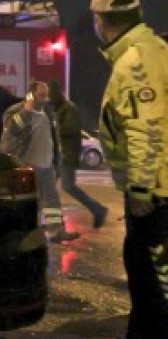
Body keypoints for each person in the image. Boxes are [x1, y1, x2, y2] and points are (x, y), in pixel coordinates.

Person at [88, 0, 168, 339]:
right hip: (158, 189)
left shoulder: (136, 61)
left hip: (157, 194)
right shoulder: (148, 51)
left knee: (156, 282)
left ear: (100, 21)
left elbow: (146, 129)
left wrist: (140, 191)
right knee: (141, 272)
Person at [1, 80, 77, 243]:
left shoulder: (48, 112)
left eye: (46, 95)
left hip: (46, 165)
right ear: (31, 94)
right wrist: (26, 111)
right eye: (41, 95)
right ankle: (22, 233)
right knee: (25, 200)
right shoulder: (15, 110)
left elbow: (54, 138)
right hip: (24, 164)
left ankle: (56, 231)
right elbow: (12, 130)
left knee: (51, 200)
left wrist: (57, 162)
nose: (44, 98)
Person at [48, 79, 108, 229]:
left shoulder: (68, 109)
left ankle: (98, 209)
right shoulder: (59, 109)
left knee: (68, 187)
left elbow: (71, 130)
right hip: (58, 155)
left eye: (51, 95)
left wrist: (53, 127)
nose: (49, 99)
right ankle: (54, 222)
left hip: (66, 155)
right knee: (48, 189)